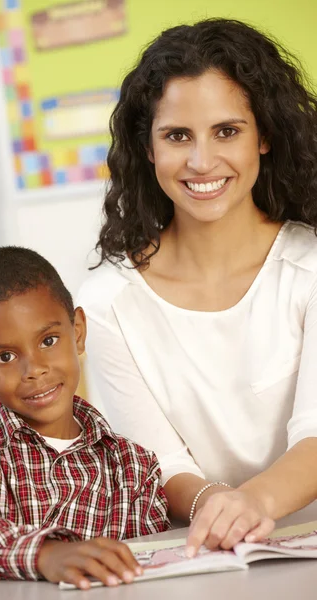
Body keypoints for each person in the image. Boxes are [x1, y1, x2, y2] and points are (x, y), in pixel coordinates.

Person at [77, 18, 317, 559]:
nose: (201, 161)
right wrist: (218, 505)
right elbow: (161, 465)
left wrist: (251, 503)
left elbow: (316, 433)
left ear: (265, 137)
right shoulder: (105, 306)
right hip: (201, 559)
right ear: (147, 148)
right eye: (177, 135)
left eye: (226, 131)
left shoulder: (310, 270)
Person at [0, 247, 170, 592]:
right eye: (5, 356)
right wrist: (44, 555)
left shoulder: (133, 470)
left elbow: (148, 578)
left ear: (78, 332)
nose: (34, 369)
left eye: (48, 341)